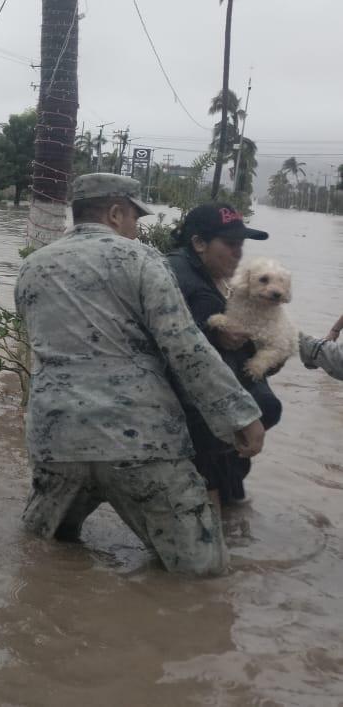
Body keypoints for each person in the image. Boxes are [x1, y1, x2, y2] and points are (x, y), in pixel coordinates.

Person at [16, 174, 265, 576]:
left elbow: (39, 348)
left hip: (56, 441)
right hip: (139, 443)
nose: (136, 228)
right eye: (135, 217)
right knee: (203, 574)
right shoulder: (142, 259)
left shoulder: (32, 267)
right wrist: (241, 414)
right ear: (116, 213)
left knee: (42, 554)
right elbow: (185, 348)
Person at [165, 203, 279, 507]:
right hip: (199, 419)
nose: (238, 254)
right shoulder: (187, 282)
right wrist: (212, 333)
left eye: (241, 244)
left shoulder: (212, 275)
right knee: (208, 507)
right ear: (199, 243)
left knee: (230, 507)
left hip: (219, 424)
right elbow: (179, 347)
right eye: (230, 244)